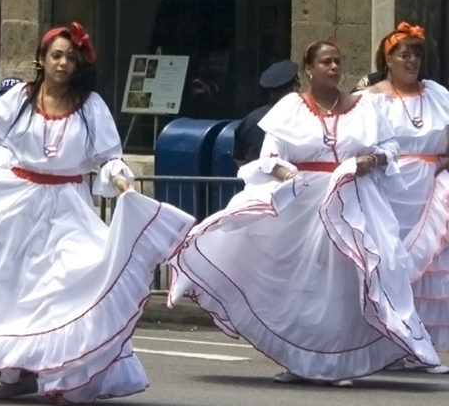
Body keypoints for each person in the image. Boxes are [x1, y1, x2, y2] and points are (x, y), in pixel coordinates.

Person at [0, 23, 195, 403]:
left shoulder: (90, 106)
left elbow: (109, 159)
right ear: (41, 59)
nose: (62, 63)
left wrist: (126, 188)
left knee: (65, 286)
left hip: (67, 206)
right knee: (8, 287)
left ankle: (63, 374)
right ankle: (18, 372)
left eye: (70, 58)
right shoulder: (20, 99)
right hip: (17, 201)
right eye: (56, 55)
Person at [169, 40, 440, 386]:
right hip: (303, 206)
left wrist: (368, 162)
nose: (334, 67)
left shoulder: (364, 107)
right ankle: (300, 361)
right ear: (309, 69)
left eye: (338, 61)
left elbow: (389, 149)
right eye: (326, 61)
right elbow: (269, 155)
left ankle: (337, 363)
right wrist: (287, 174)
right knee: (303, 284)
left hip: (352, 203)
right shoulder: (291, 107)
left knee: (344, 284)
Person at [367, 22, 449, 371]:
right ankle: (387, 344)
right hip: (390, 188)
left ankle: (421, 345)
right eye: (405, 54)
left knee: (429, 266)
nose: (412, 60)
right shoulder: (372, 98)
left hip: (428, 189)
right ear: (388, 59)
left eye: (417, 54)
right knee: (390, 264)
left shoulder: (436, 93)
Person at [232, 60, 299, 164]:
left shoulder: (250, 120)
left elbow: (239, 159)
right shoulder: (300, 117)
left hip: (255, 179)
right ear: (295, 85)